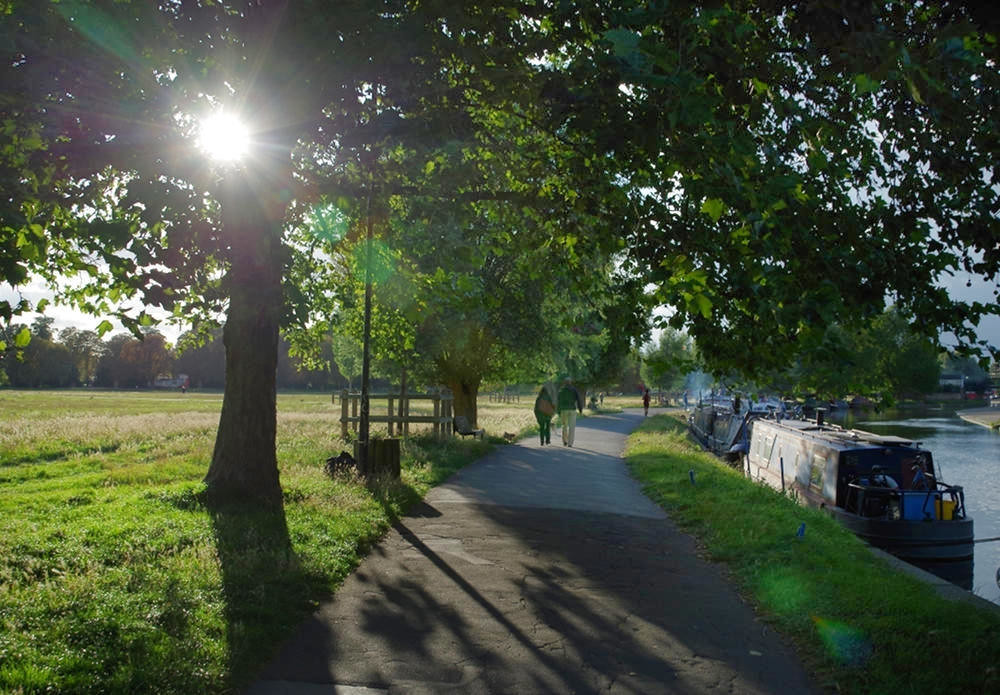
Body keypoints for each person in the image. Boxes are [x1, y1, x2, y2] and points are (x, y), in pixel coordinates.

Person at [557, 378, 584, 447]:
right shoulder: (574, 390)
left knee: (564, 426)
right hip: (572, 409)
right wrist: (580, 409)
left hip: (564, 410)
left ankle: (565, 441)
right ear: (571, 382)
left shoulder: (561, 390)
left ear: (564, 382)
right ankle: (570, 443)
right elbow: (578, 399)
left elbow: (558, 401)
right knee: (572, 427)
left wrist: (558, 411)